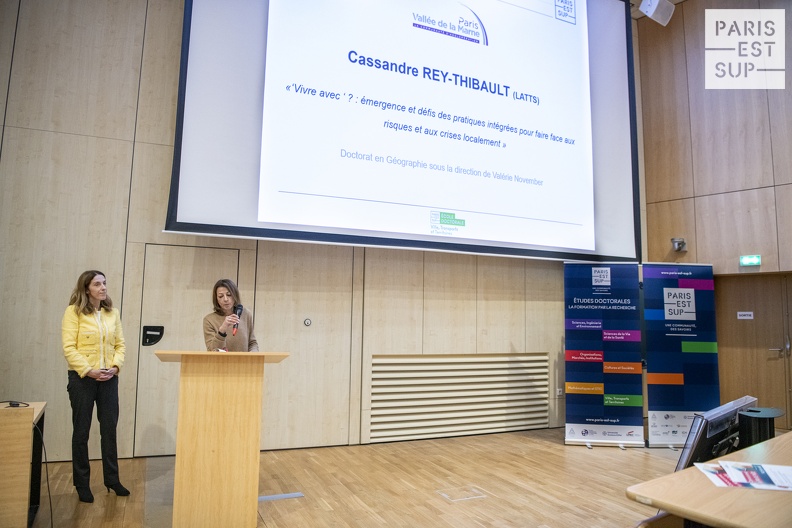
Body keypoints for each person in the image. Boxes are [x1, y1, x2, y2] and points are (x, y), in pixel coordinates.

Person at [61, 270, 129, 503]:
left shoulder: (112, 313)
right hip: (82, 379)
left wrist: (115, 367)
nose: (103, 287)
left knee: (109, 430)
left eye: (104, 283)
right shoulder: (73, 312)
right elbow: (69, 348)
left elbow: (120, 345)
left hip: (109, 379)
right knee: (81, 432)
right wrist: (89, 370)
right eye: (97, 284)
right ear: (86, 289)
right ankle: (82, 484)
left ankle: (112, 479)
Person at [203, 278, 259, 352]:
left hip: (244, 359)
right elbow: (212, 349)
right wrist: (222, 329)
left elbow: (252, 343)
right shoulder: (209, 320)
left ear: (235, 295)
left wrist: (252, 355)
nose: (226, 299)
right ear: (216, 299)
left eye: (229, 295)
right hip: (221, 360)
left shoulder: (246, 314)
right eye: (220, 296)